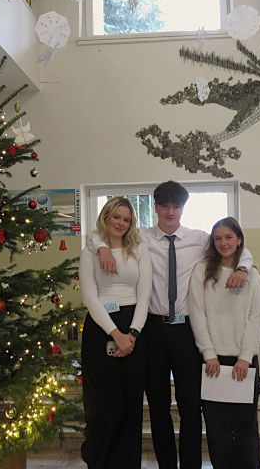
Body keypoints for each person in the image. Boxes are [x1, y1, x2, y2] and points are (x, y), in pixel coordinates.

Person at [90, 181, 253, 469]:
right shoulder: (140, 237)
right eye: (164, 205)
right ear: (155, 207)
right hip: (152, 330)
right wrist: (102, 248)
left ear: (183, 208)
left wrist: (242, 268)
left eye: (176, 206)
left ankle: (190, 465)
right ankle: (166, 465)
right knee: (158, 405)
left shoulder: (199, 239)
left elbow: (240, 249)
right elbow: (97, 235)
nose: (170, 211)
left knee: (190, 405)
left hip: (186, 330)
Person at [79, 197, 152, 469]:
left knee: (130, 404)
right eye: (116, 217)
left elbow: (144, 296)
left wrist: (132, 333)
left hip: (134, 328)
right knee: (104, 405)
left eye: (127, 219)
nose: (121, 223)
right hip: (101, 328)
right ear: (106, 217)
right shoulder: (91, 251)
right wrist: (115, 334)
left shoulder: (139, 249)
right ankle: (99, 462)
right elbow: (90, 298)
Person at [188, 216, 260, 469]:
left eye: (229, 237)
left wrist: (245, 357)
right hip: (213, 361)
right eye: (218, 238)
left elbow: (255, 319)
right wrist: (209, 353)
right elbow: (197, 314)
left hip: (243, 361)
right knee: (217, 428)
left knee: (246, 427)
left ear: (239, 239)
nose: (223, 243)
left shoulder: (252, 276)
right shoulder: (202, 271)